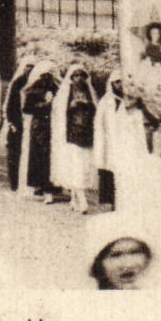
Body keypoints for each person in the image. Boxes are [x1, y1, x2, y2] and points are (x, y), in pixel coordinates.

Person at [52, 63, 99, 214]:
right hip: (71, 134)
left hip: (86, 134)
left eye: (82, 76)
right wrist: (71, 105)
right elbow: (59, 112)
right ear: (71, 78)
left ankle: (74, 197)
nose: (79, 79)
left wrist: (87, 104)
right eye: (76, 76)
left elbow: (95, 110)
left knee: (83, 166)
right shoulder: (66, 92)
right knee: (76, 165)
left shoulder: (89, 92)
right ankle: (82, 199)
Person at [19, 62, 60, 201]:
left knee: (52, 156)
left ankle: (51, 186)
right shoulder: (35, 88)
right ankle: (41, 185)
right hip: (39, 125)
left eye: (49, 75)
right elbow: (27, 108)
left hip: (54, 125)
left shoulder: (57, 88)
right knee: (40, 156)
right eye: (44, 75)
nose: (46, 78)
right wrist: (43, 105)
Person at [0, 58, 37, 191]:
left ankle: (29, 182)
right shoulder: (17, 83)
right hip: (17, 121)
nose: (30, 69)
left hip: (31, 122)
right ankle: (14, 181)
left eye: (33, 67)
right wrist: (11, 122)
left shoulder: (36, 82)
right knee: (15, 152)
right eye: (28, 66)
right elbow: (10, 104)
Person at [92, 72, 126, 210]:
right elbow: (99, 123)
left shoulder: (129, 101)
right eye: (117, 82)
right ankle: (112, 202)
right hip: (109, 141)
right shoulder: (105, 102)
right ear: (112, 83)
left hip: (124, 141)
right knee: (110, 169)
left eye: (122, 82)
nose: (120, 85)